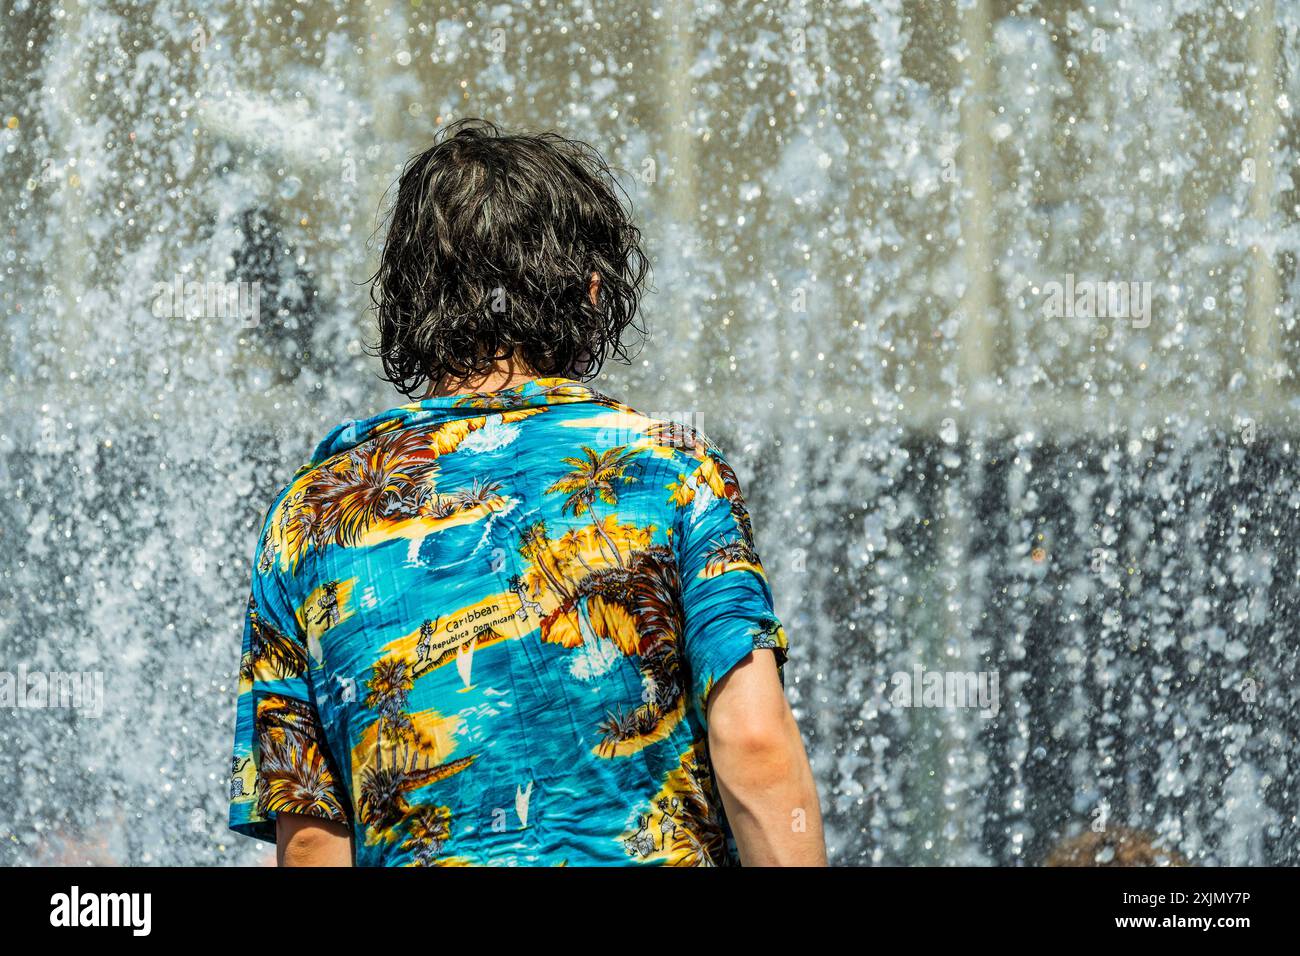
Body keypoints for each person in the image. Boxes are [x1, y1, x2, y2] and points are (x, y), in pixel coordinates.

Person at [227, 118, 825, 866]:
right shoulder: (670, 471)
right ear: (591, 290)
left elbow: (313, 837)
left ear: (411, 301)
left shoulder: (311, 515)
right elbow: (753, 738)